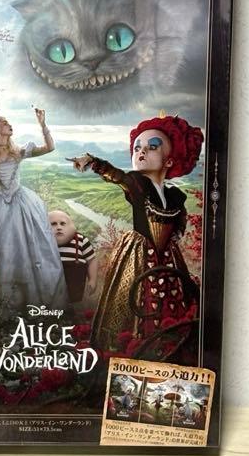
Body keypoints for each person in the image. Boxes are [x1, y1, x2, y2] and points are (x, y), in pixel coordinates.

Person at [70, 114, 203, 352]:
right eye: (137, 148)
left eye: (152, 147)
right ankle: (132, 345)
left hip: (167, 257)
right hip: (139, 255)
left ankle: (167, 343)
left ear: (169, 161)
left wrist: (176, 235)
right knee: (137, 300)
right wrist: (93, 162)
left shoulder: (175, 196)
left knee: (172, 298)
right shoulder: (137, 184)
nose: (141, 152)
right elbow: (118, 176)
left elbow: (179, 219)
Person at [0, 107, 68, 308]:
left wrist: (43, 125)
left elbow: (49, 148)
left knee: (27, 246)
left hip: (21, 203)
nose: (10, 125)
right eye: (5, 123)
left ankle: (25, 299)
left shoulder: (17, 152)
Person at [48, 209, 98, 305]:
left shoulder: (81, 240)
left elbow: (92, 260)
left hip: (74, 290)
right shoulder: (42, 241)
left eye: (63, 223)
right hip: (48, 291)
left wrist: (93, 280)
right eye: (53, 224)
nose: (59, 227)